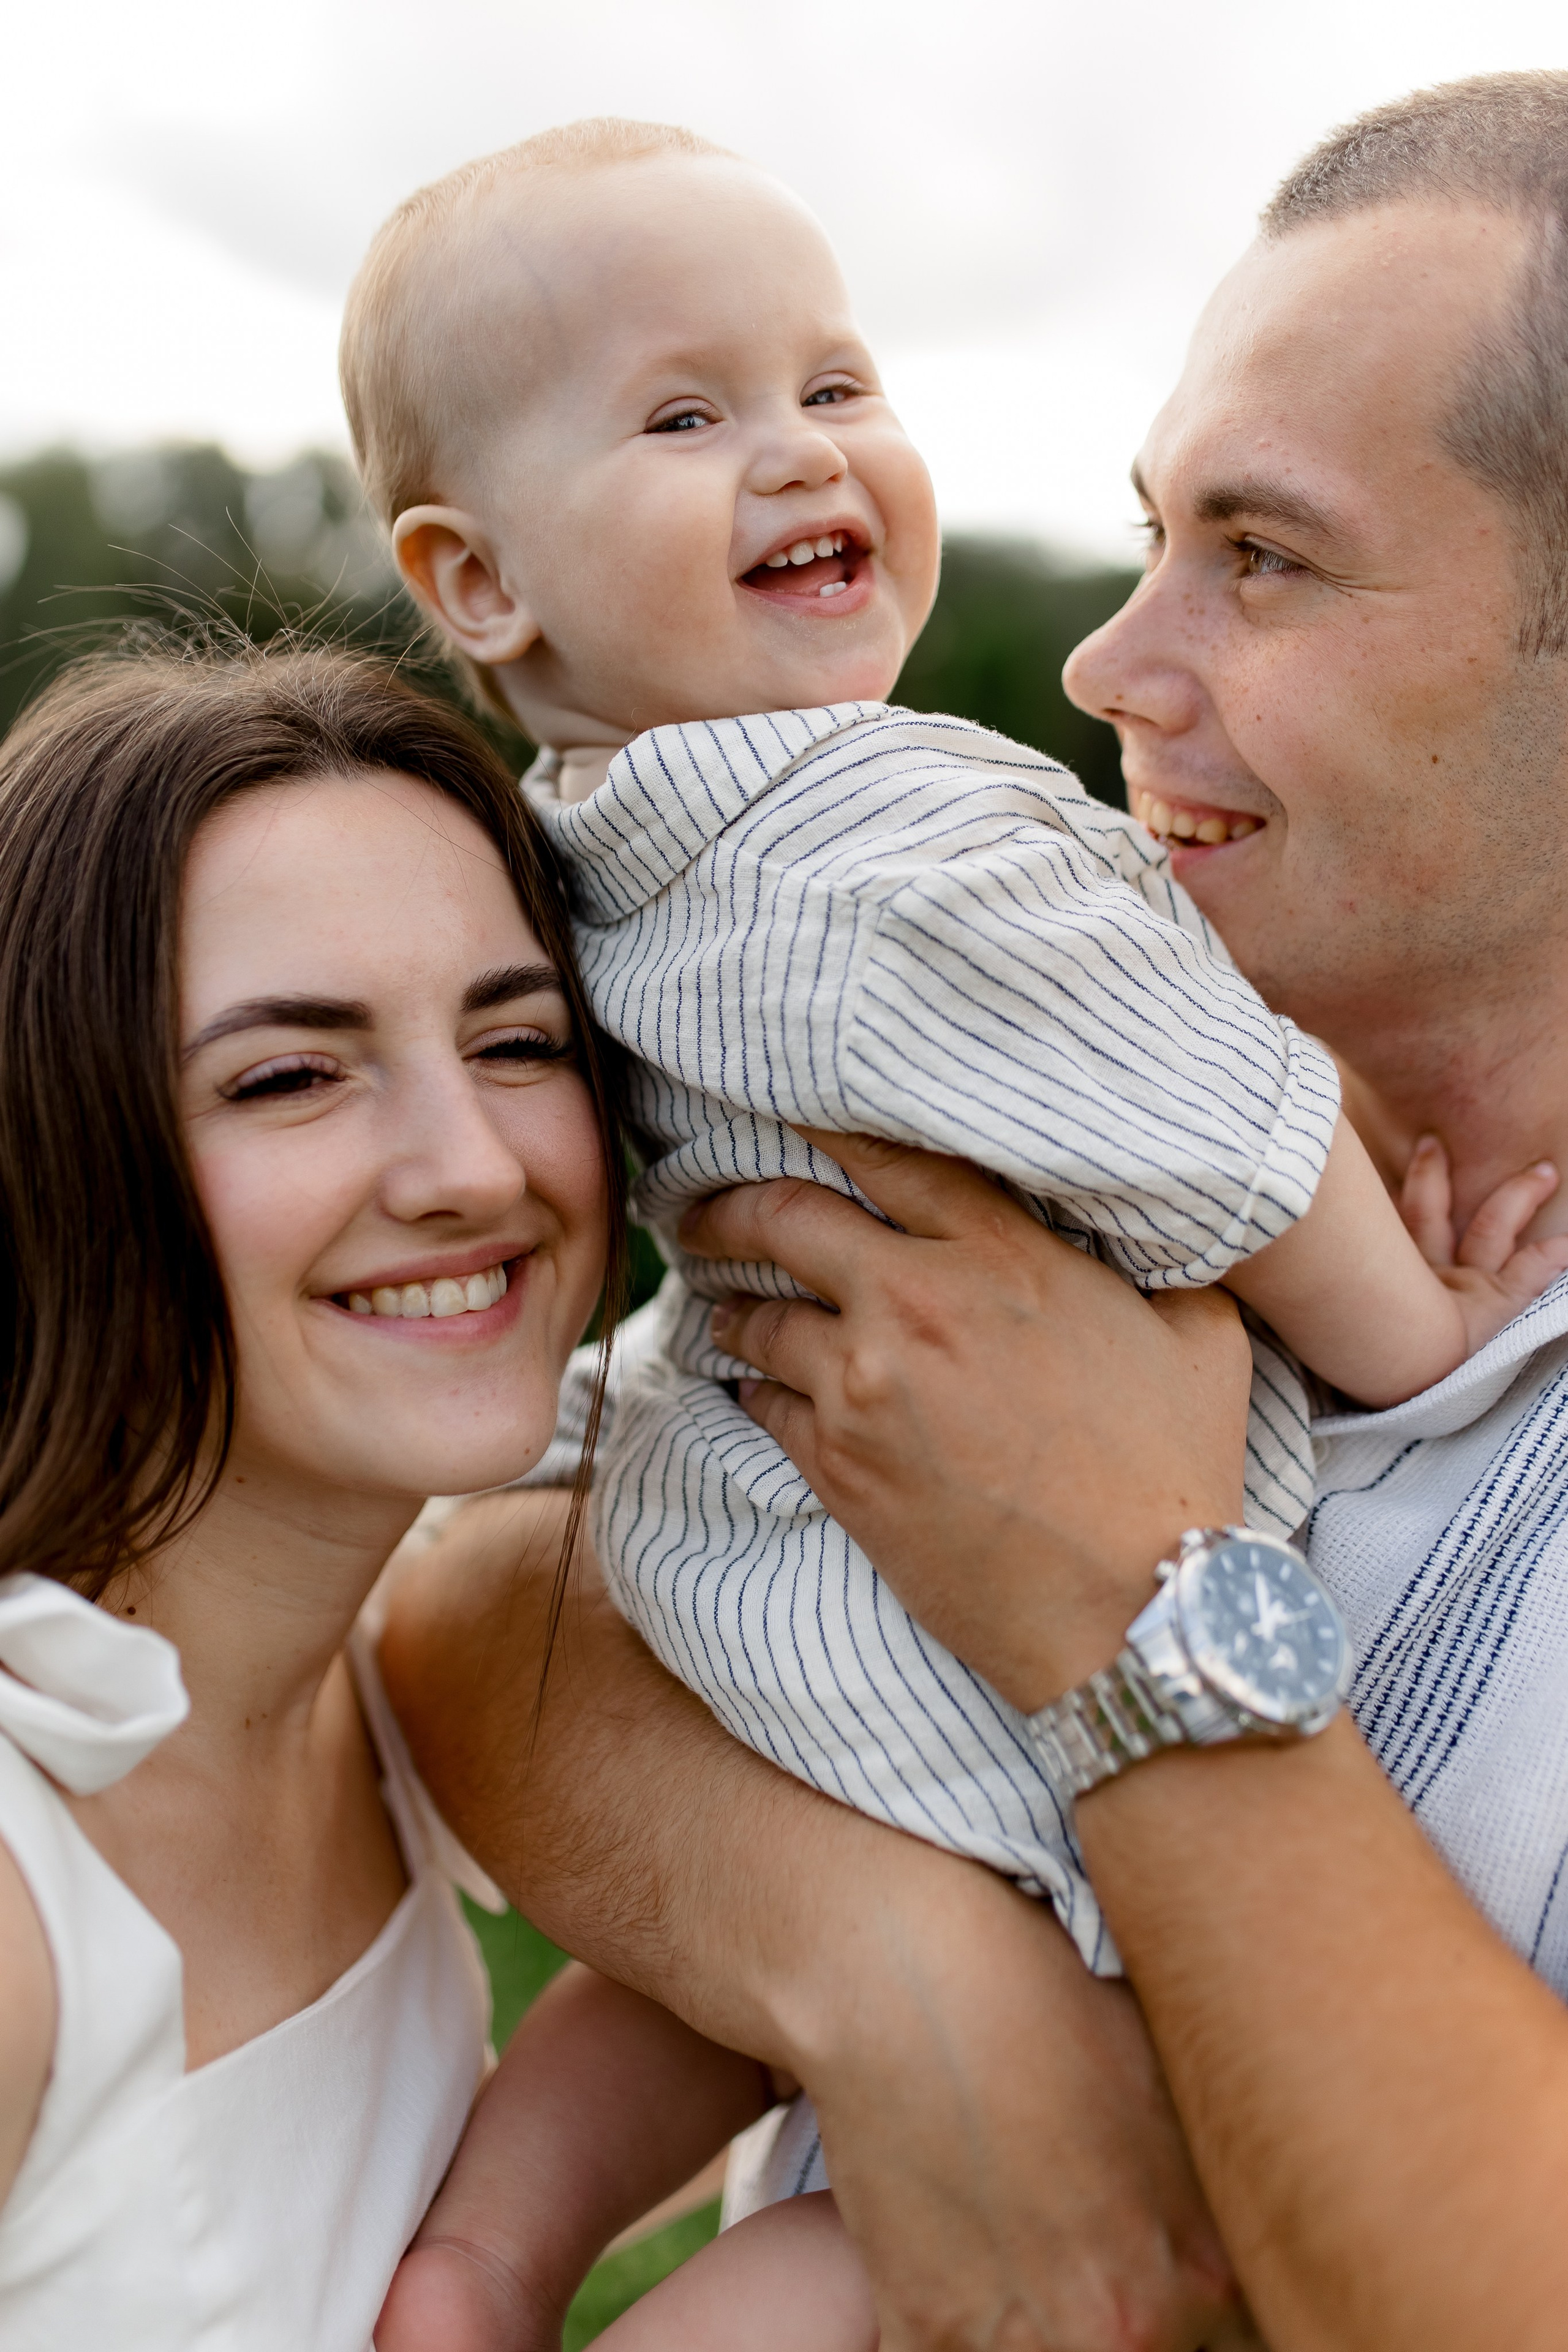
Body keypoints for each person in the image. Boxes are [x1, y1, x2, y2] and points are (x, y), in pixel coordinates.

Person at [380, 69, 1568, 2351]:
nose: (1111, 668)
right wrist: (929, 1986)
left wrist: (1124, 1611)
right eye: (1149, 537)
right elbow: (474, 1613)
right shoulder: (1021, 1119)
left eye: (1269, 556)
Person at [0, 641, 848, 2351]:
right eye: (289, 1076)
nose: (471, 1167)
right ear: (55, 1150)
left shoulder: (366, 1700)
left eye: (516, 1040)